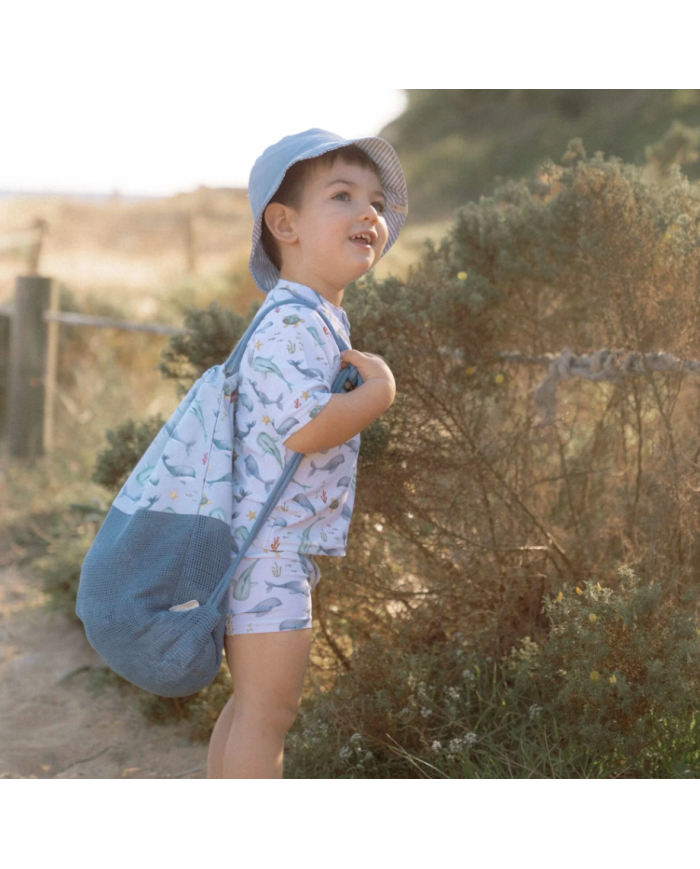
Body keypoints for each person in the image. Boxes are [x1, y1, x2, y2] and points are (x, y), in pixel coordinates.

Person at [207, 128, 408, 778]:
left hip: (267, 547)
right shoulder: (294, 322)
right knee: (268, 715)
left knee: (253, 707)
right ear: (284, 224)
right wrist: (379, 393)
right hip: (268, 554)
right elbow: (305, 427)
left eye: (377, 202)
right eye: (343, 195)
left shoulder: (309, 315)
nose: (368, 212)